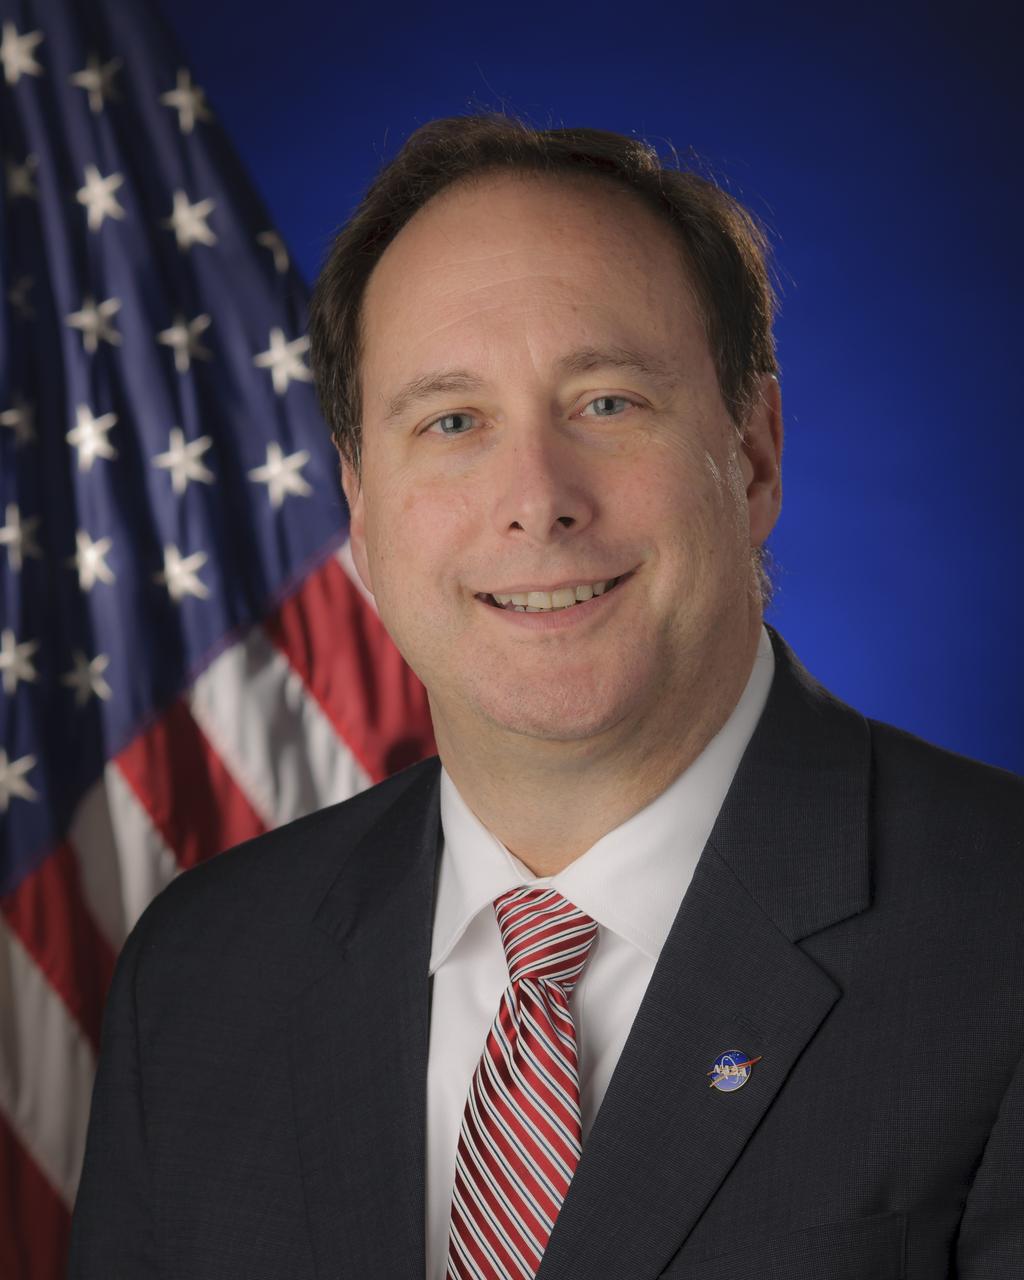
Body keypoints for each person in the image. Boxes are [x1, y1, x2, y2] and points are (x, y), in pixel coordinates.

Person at [69, 115, 1023, 1279]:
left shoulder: (997, 937)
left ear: (755, 452)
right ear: (361, 513)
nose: (536, 499)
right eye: (452, 421)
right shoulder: (201, 971)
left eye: (607, 402)